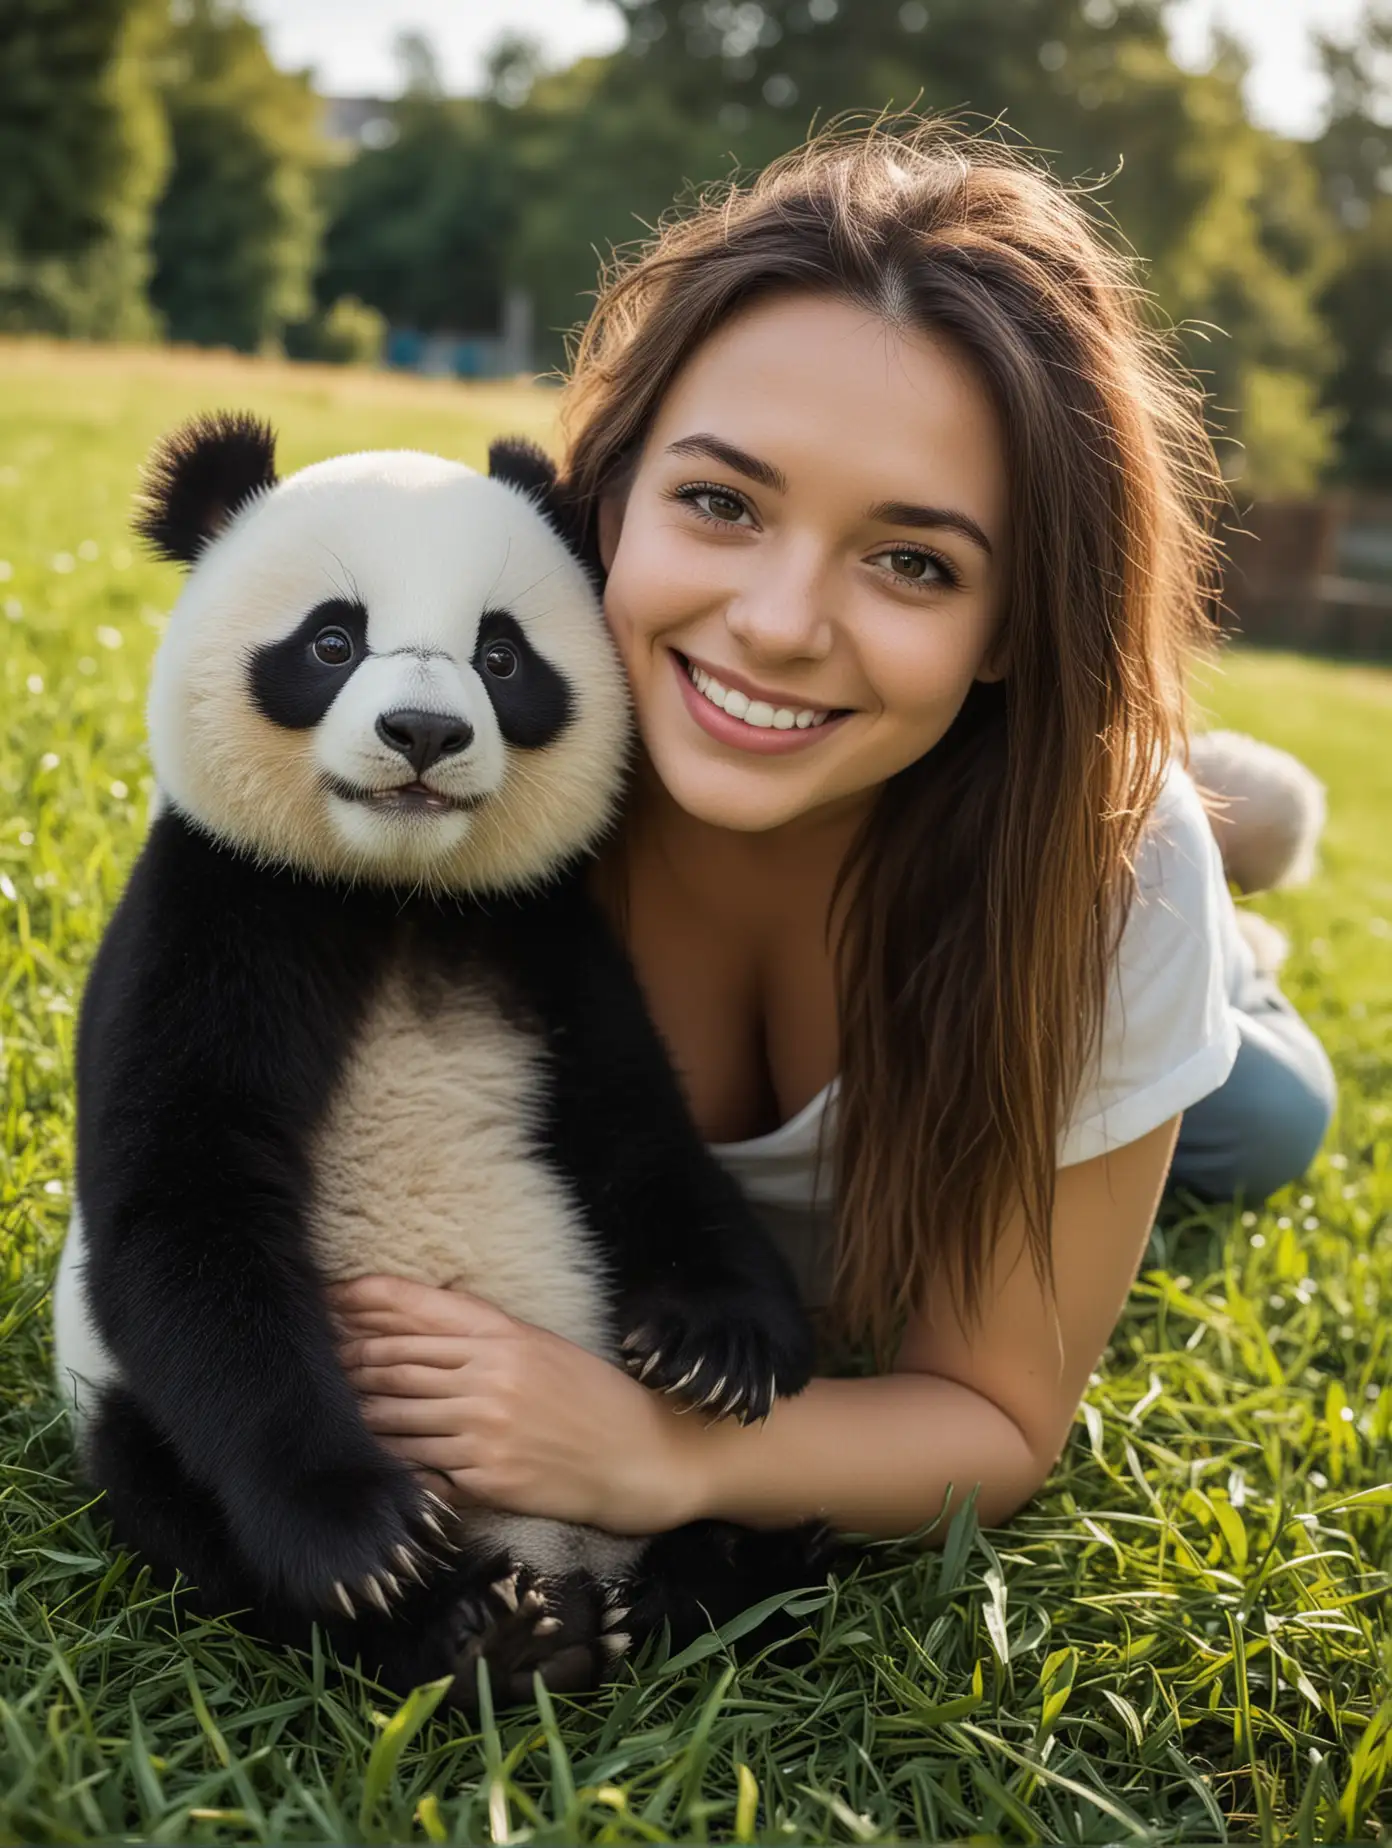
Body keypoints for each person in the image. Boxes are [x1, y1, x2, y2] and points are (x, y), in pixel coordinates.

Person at [327, 122, 1336, 1546]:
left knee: (1279, 1121)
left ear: (1012, 628)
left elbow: (994, 1419)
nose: (782, 623)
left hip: (1075, 901)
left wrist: (670, 1459)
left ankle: (1225, 925)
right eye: (720, 503)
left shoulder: (1116, 882)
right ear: (607, 498)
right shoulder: (445, 743)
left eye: (914, 563)